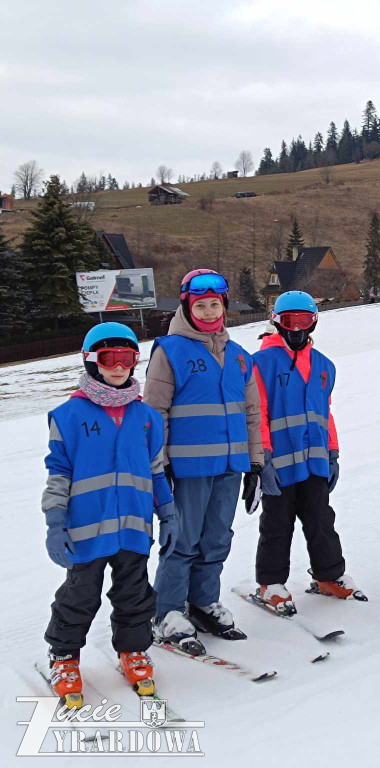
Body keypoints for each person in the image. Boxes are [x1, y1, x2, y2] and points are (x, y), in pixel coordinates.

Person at [42, 323, 177, 706]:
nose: (118, 367)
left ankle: (133, 649)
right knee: (79, 595)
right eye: (108, 359)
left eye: (126, 358)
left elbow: (155, 470)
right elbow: (58, 475)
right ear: (91, 361)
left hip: (134, 526)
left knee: (135, 594)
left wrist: (167, 513)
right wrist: (54, 523)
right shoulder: (67, 415)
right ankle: (64, 655)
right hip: (87, 529)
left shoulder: (147, 417)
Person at [145, 269, 263, 654]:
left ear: (224, 306)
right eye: (201, 305)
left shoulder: (240, 357)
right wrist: (158, 465)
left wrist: (255, 464)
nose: (210, 311)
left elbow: (251, 413)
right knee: (183, 540)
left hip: (230, 467)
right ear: (186, 306)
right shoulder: (170, 351)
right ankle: (168, 611)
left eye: (215, 304)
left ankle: (203, 602)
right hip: (187, 470)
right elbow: (155, 412)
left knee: (217, 539)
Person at [247, 291, 360, 614]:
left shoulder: (324, 365)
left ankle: (329, 574)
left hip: (314, 461)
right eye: (288, 321)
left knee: (321, 519)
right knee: (277, 523)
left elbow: (325, 412)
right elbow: (259, 412)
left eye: (303, 321)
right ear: (276, 323)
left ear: (314, 323)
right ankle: (271, 582)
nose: (296, 328)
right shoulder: (261, 363)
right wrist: (262, 457)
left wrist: (333, 452)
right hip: (280, 463)